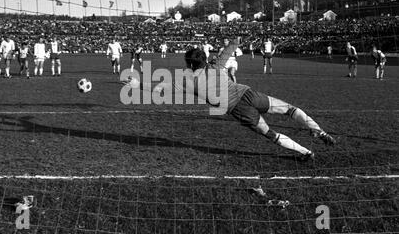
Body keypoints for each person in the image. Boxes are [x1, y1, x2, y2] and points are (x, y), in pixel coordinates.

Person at [124, 39, 336, 160]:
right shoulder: (216, 65)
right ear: (205, 59)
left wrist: (137, 84)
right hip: (249, 94)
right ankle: (320, 131)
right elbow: (228, 49)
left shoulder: (187, 81)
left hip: (237, 109)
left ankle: (306, 152)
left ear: (189, 65)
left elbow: (160, 88)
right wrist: (236, 40)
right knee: (290, 109)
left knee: (270, 134)